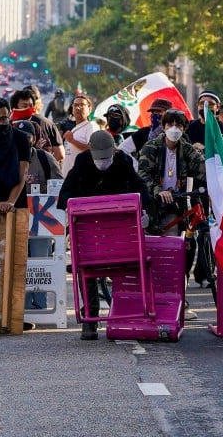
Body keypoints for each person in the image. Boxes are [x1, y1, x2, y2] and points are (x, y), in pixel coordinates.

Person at [58, 130, 151, 340]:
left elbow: (141, 188)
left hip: (119, 229)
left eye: (107, 158)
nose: (103, 163)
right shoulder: (82, 161)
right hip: (90, 229)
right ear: (90, 151)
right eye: (99, 158)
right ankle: (90, 314)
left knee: (127, 264)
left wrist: (145, 210)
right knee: (86, 266)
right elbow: (65, 192)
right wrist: (74, 208)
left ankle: (125, 310)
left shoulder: (123, 161)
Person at [136, 108, 206, 237]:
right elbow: (143, 175)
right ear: (164, 127)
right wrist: (158, 190)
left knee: (177, 244)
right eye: (170, 125)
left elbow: (202, 168)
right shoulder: (151, 147)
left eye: (178, 125)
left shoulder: (186, 149)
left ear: (184, 129)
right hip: (153, 205)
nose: (174, 128)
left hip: (177, 204)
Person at [11, 88, 65, 165]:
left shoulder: (46, 124)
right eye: (24, 106)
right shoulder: (7, 126)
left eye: (30, 106)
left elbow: (60, 154)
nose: (28, 109)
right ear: (15, 107)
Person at [16, 120, 64, 193]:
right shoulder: (6, 160)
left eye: (27, 137)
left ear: (34, 138)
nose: (23, 141)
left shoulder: (45, 158)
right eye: (19, 137)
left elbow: (60, 186)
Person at [60, 93, 98, 167]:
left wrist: (72, 140)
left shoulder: (91, 126)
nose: (78, 108)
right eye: (75, 105)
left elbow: (93, 151)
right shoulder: (75, 128)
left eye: (82, 105)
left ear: (89, 109)